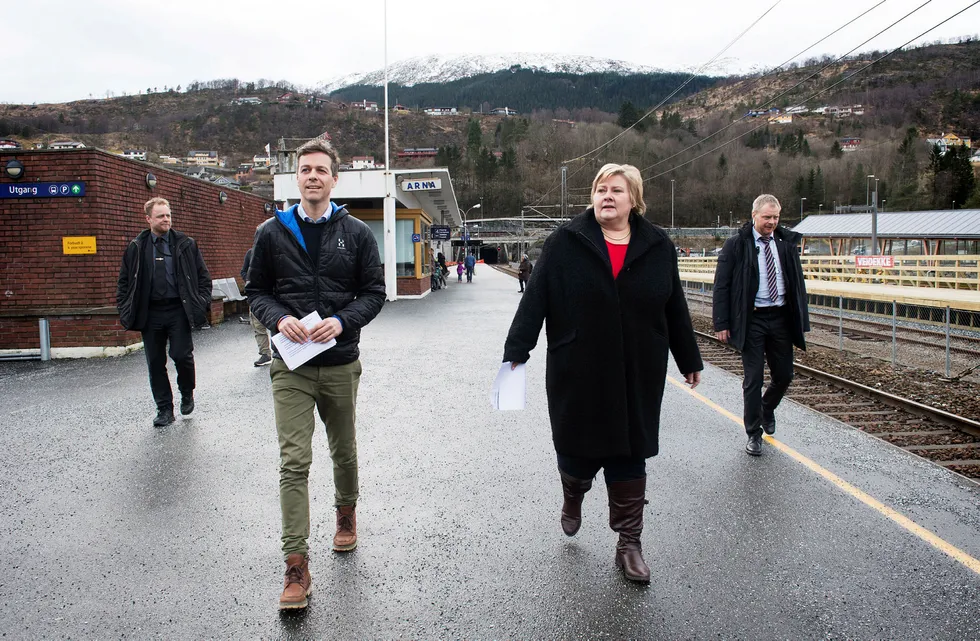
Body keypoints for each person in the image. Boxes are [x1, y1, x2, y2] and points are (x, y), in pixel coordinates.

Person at [502, 163, 703, 584]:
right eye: (600, 189)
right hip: (579, 366)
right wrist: (517, 351)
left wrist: (689, 358)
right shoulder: (564, 242)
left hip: (638, 368)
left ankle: (629, 544)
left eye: (616, 190)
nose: (606, 195)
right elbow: (535, 299)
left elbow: (674, 306)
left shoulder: (658, 245)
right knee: (577, 451)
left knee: (630, 454)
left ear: (635, 199)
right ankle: (573, 493)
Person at [245, 138, 386, 611]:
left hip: (341, 361)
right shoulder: (271, 232)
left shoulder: (358, 234)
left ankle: (345, 514)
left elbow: (374, 292)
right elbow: (256, 290)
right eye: (305, 169)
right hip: (292, 364)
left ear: (334, 179)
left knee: (343, 449)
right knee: (293, 461)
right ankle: (296, 566)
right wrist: (276, 318)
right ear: (296, 178)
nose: (312, 176)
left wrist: (343, 320)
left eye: (321, 170)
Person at [712, 194, 810, 456]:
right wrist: (721, 322)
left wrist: (801, 318)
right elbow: (722, 286)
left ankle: (767, 408)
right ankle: (754, 433)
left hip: (780, 318)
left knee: (784, 375)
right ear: (754, 215)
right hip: (752, 319)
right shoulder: (736, 245)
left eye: (776, 217)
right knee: (753, 379)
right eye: (767, 217)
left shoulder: (785, 244)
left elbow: (797, 284)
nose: (772, 222)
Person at [116, 197, 212, 427]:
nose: (166, 219)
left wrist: (201, 301)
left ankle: (187, 392)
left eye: (168, 215)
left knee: (181, 355)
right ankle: (164, 409)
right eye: (161, 216)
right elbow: (124, 282)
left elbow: (203, 278)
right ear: (148, 219)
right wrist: (124, 306)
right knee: (155, 362)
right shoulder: (137, 247)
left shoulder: (185, 244)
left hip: (178, 310)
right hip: (151, 313)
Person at [241, 246, 272, 366]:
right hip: (256, 296)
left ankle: (282, 353)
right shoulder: (250, 253)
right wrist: (251, 281)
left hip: (274, 295)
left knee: (278, 325)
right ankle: (265, 353)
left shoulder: (274, 250)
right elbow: (243, 271)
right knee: (258, 326)